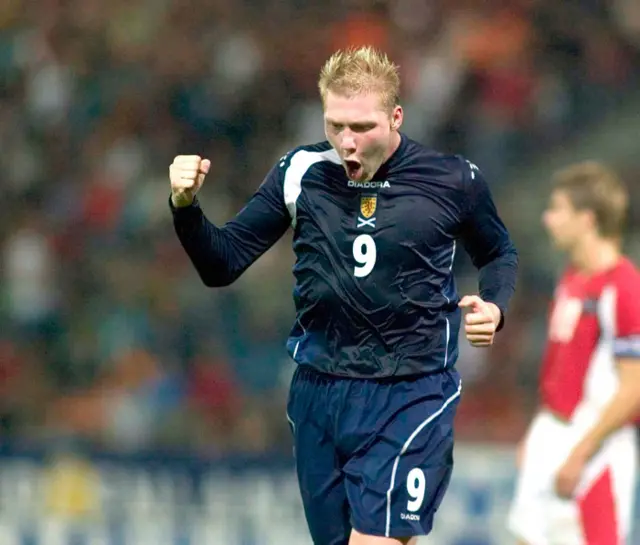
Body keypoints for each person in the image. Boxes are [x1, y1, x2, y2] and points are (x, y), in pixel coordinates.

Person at [169, 46, 518, 545]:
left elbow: (499, 252)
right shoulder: (300, 172)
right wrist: (185, 207)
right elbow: (222, 264)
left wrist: (495, 306)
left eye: (363, 127)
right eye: (336, 126)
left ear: (396, 116)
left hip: (411, 391)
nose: (347, 142)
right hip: (319, 393)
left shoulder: (452, 179)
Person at [508, 162, 640, 545]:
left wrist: (581, 452)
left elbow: (633, 387)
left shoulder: (624, 289)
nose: (548, 219)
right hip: (552, 433)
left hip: (595, 447)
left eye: (557, 209)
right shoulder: (572, 279)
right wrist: (538, 432)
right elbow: (562, 367)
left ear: (586, 219)